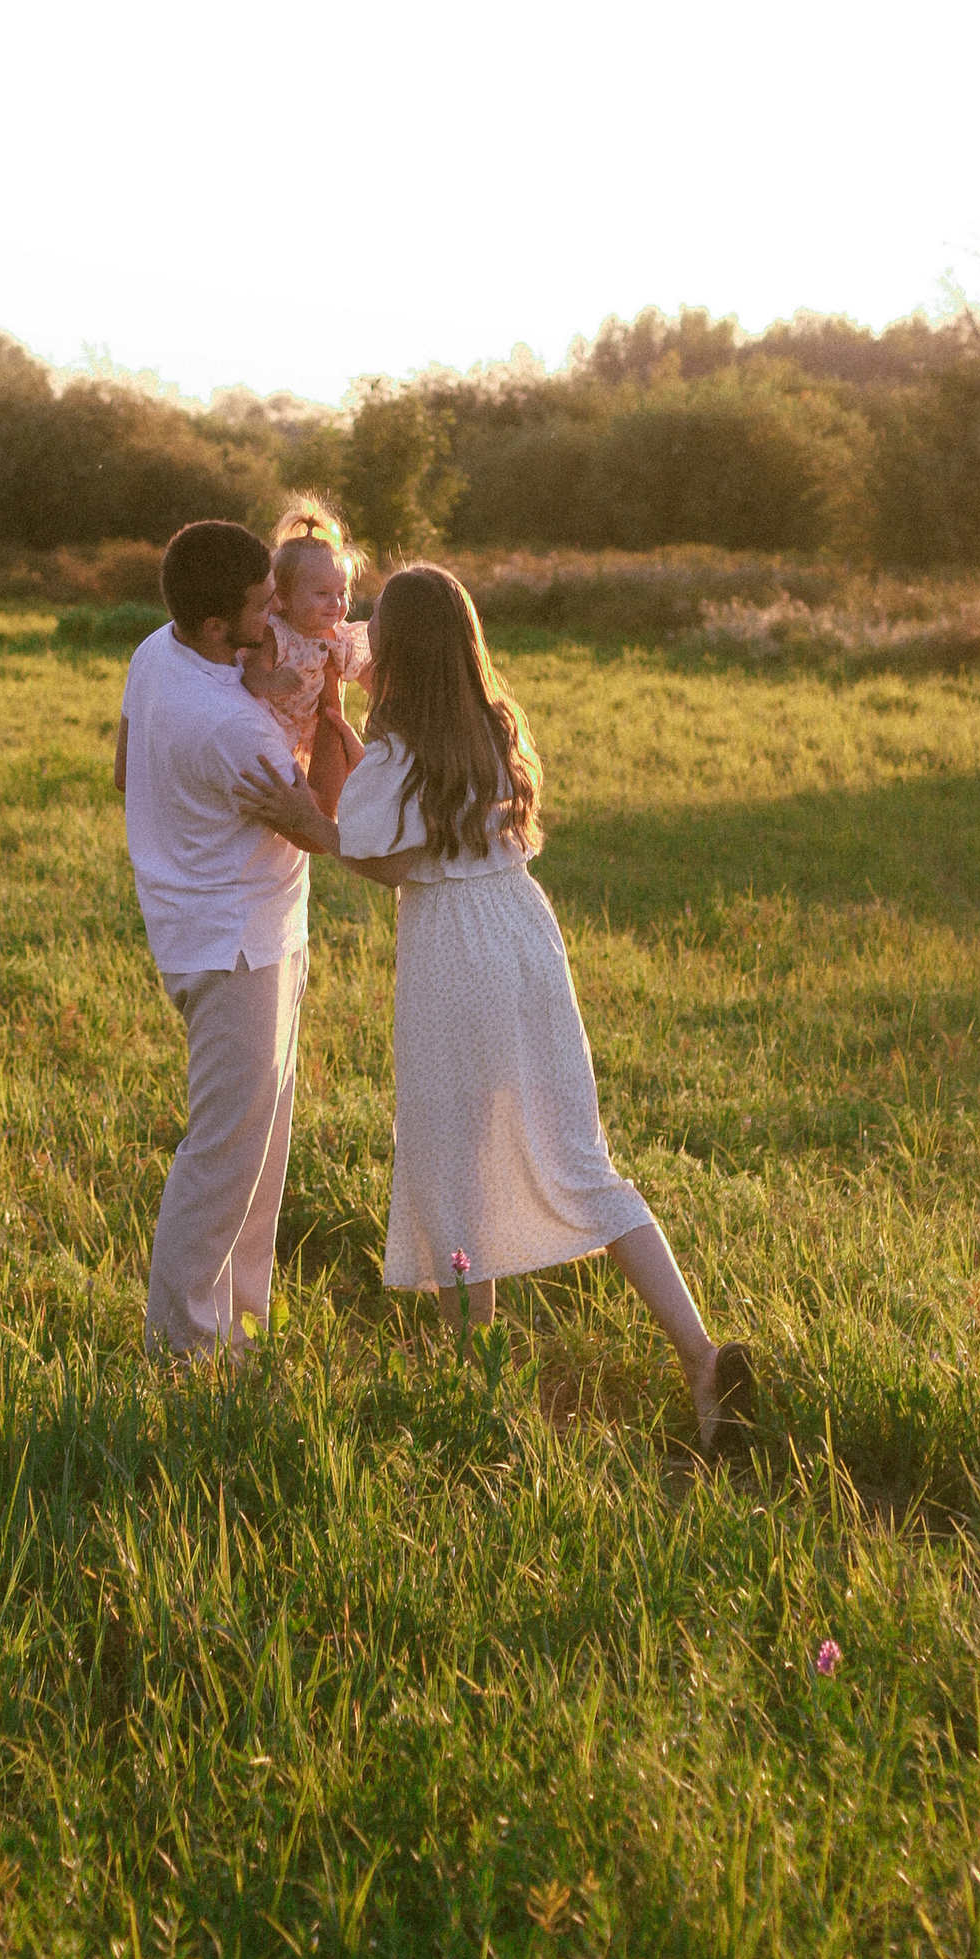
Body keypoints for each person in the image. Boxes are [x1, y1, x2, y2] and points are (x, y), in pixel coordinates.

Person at [260, 560, 755, 1455]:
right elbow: (412, 825)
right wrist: (343, 702)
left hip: (453, 951)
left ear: (401, 652)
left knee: (453, 1170)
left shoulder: (402, 753)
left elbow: (380, 857)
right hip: (525, 936)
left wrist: (311, 825)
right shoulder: (496, 725)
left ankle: (475, 1393)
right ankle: (702, 1355)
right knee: (581, 1159)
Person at [113, 517, 344, 1360]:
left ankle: (242, 1331)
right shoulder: (231, 725)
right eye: (260, 604)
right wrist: (328, 706)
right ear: (217, 624)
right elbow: (321, 825)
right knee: (223, 1158)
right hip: (236, 947)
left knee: (258, 1154)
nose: (276, 610)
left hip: (226, 930)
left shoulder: (155, 652)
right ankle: (182, 1352)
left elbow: (125, 770)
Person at [238, 500, 372, 777]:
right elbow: (251, 677)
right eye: (322, 594)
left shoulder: (340, 636)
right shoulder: (276, 635)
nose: (335, 603)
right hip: (272, 731)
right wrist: (273, 681)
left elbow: (369, 673)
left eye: (342, 592)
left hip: (312, 736)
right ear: (283, 596)